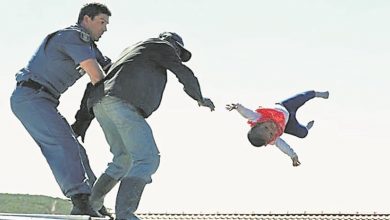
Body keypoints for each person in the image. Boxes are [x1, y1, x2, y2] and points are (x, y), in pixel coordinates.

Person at [72, 32, 215, 220]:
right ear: (175, 46)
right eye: (179, 53)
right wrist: (199, 97)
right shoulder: (162, 45)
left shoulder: (131, 52)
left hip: (101, 104)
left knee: (123, 159)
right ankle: (125, 214)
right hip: (123, 103)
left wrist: (82, 120)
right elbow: (183, 72)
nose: (178, 57)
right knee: (147, 158)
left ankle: (90, 206)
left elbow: (96, 81)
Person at [10, 3, 112, 217]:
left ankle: (93, 201)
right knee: (63, 143)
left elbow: (111, 69)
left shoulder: (90, 48)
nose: (105, 29)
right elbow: (98, 77)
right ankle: (81, 200)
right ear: (87, 19)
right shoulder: (73, 37)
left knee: (76, 149)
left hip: (44, 100)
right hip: (31, 96)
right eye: (101, 22)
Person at [226, 90, 329, 167]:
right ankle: (307, 127)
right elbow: (283, 146)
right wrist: (292, 156)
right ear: (269, 140)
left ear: (258, 124)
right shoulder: (274, 139)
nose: (272, 128)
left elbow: (246, 113)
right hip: (287, 124)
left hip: (285, 107)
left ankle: (318, 94)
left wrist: (237, 107)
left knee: (302, 97)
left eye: (266, 127)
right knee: (303, 133)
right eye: (271, 134)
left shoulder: (258, 118)